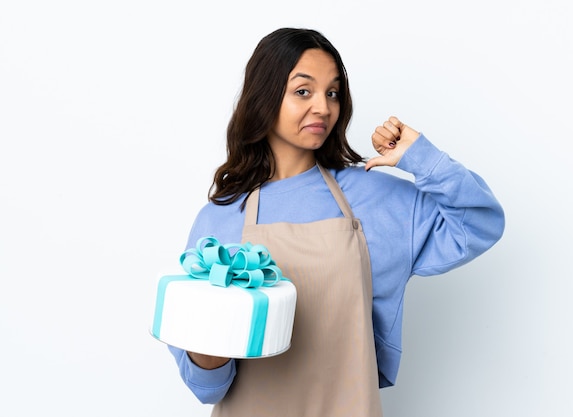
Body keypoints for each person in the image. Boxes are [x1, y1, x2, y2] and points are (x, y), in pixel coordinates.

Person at [167, 27, 505, 416]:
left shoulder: (372, 197)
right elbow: (207, 387)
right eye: (303, 91)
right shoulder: (220, 217)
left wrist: (421, 159)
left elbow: (480, 223)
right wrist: (207, 341)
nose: (323, 108)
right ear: (264, 97)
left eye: (332, 93)